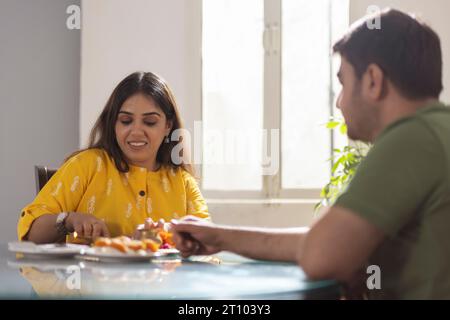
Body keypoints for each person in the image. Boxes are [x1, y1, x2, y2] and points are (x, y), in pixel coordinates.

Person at [171, 9, 450, 299]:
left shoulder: (412, 140)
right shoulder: (435, 131)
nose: (339, 103)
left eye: (343, 83)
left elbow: (320, 255)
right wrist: (220, 237)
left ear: (372, 80)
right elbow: (326, 242)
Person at [18, 72, 209, 244]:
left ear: (168, 125)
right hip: (88, 282)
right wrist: (68, 219)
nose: (136, 131)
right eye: (126, 121)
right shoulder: (87, 166)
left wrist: (170, 233)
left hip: (165, 283)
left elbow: (208, 243)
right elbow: (31, 234)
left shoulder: (183, 182)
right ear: (113, 123)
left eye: (150, 122)